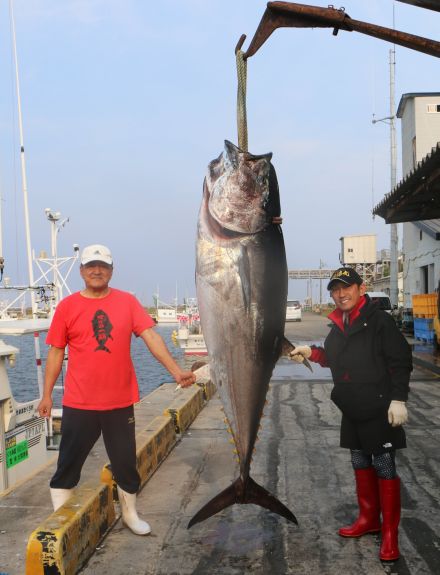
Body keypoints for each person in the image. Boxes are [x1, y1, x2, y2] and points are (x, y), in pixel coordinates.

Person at [37, 244, 196, 535]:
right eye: (91, 266)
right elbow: (56, 352)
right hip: (79, 403)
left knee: (125, 464)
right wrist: (47, 394)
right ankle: (62, 522)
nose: (97, 270)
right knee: (67, 466)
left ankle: (130, 514)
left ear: (111, 270)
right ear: (82, 271)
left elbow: (151, 338)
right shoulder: (67, 307)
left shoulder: (128, 302)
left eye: (103, 266)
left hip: (119, 402)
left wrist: (176, 372)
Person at [290, 267, 412, 562]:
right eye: (335, 290)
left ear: (360, 288)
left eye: (346, 288)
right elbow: (331, 358)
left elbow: (401, 360)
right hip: (352, 408)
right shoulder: (339, 325)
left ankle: (389, 534)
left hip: (380, 407)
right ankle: (369, 519)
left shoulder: (379, 321)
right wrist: (309, 351)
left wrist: (398, 399)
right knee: (359, 461)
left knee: (384, 465)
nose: (340, 294)